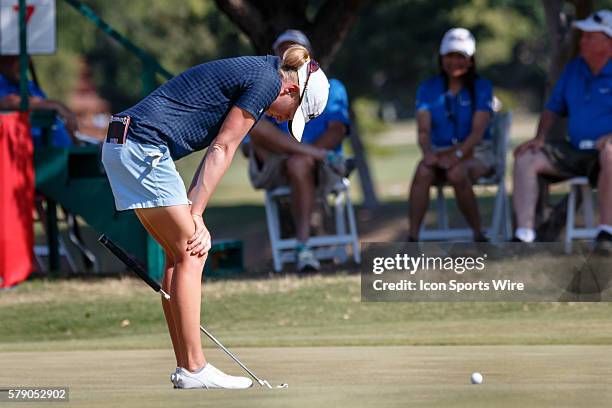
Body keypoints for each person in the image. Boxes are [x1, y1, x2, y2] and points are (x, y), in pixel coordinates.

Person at [101, 47, 329, 389]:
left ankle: (185, 367)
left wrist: (194, 212)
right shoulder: (267, 81)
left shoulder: (261, 71)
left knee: (180, 255)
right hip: (142, 146)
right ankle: (195, 368)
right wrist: (197, 214)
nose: (282, 120)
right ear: (291, 90)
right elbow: (222, 147)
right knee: (194, 249)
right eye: (291, 114)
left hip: (124, 143)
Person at [245, 29, 350, 272]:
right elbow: (250, 145)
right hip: (279, 165)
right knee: (256, 127)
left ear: (308, 55)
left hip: (321, 167)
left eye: (293, 49)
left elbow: (337, 131)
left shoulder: (331, 87)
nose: (287, 55)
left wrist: (303, 153)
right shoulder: (266, 90)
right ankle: (304, 247)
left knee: (299, 163)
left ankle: (303, 246)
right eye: (282, 50)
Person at [512, 10, 612, 252]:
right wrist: (540, 138)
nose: (583, 41)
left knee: (611, 153)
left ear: (609, 42)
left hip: (605, 154)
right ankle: (524, 236)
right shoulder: (573, 69)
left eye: (590, 37)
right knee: (526, 158)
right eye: (583, 36)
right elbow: (552, 108)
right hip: (574, 150)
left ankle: (606, 233)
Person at [407, 28, 495, 242]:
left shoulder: (482, 87)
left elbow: (477, 133)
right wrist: (428, 153)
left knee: (457, 173)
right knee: (423, 170)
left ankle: (478, 234)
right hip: (440, 152)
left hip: (476, 152)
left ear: (471, 59)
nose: (454, 61)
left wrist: (455, 156)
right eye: (449, 55)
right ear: (441, 57)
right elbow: (424, 130)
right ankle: (412, 238)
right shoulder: (428, 88)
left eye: (460, 56)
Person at [0, 56, 77, 147]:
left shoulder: (31, 86)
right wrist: (57, 106)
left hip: (63, 153)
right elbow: (8, 102)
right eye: (16, 57)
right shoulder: (3, 84)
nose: (24, 63)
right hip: (35, 155)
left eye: (27, 57)